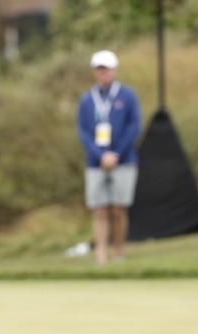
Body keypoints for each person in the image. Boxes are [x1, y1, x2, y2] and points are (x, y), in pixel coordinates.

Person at [76, 50, 141, 265]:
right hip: (95, 162)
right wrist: (100, 155)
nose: (103, 73)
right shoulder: (87, 99)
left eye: (106, 69)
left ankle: (118, 252)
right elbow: (84, 131)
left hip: (123, 159)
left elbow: (134, 127)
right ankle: (100, 255)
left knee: (118, 208)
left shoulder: (127, 95)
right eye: (99, 69)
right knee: (99, 209)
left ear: (113, 70)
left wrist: (116, 154)